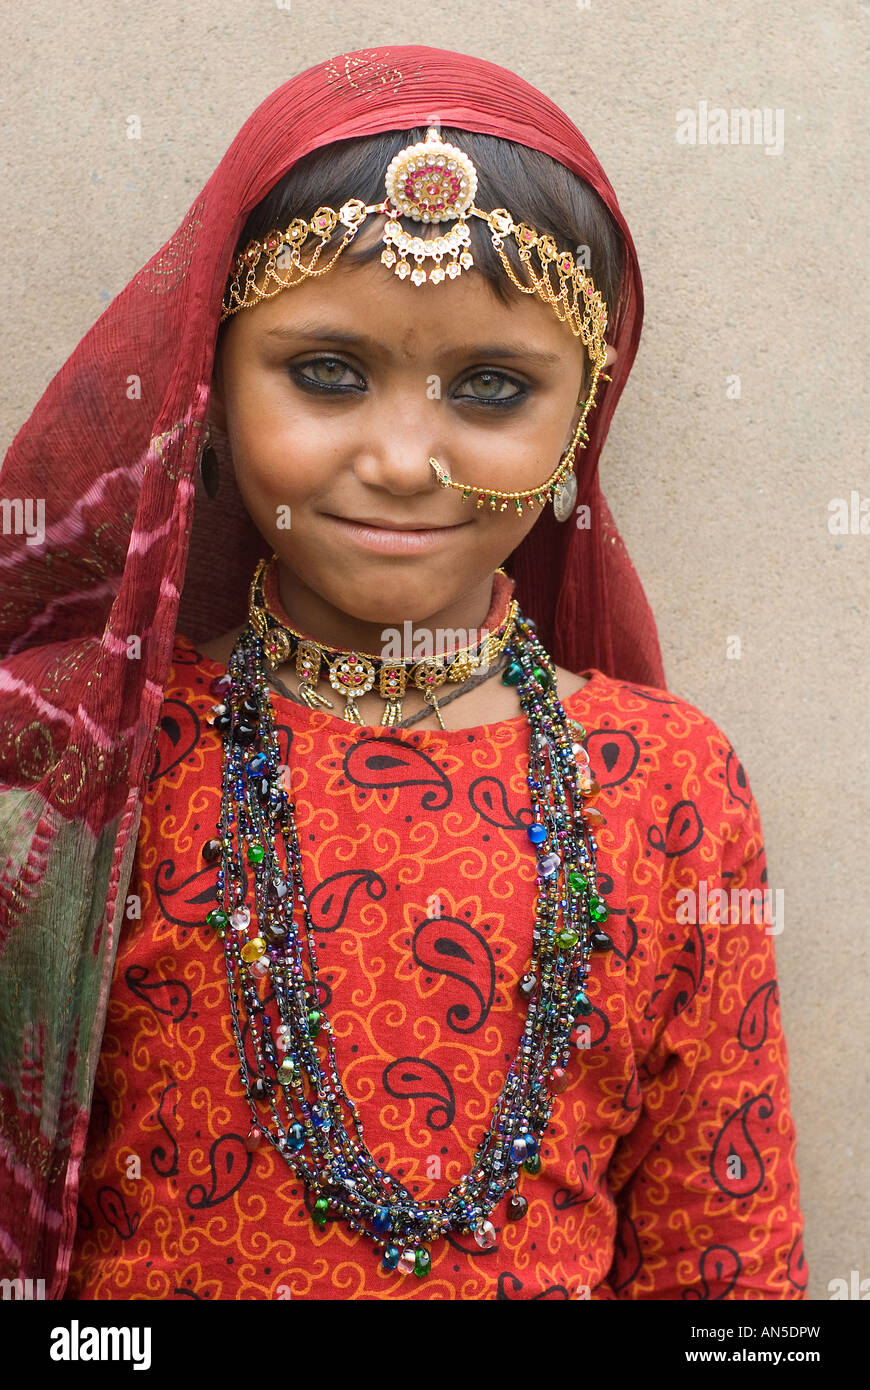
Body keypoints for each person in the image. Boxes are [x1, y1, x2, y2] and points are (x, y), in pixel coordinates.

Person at [0, 44, 807, 1301]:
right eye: (327, 373)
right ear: (210, 391)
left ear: (579, 421)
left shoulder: (665, 786)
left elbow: (729, 1276)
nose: (403, 456)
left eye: (492, 388)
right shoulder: (76, 753)